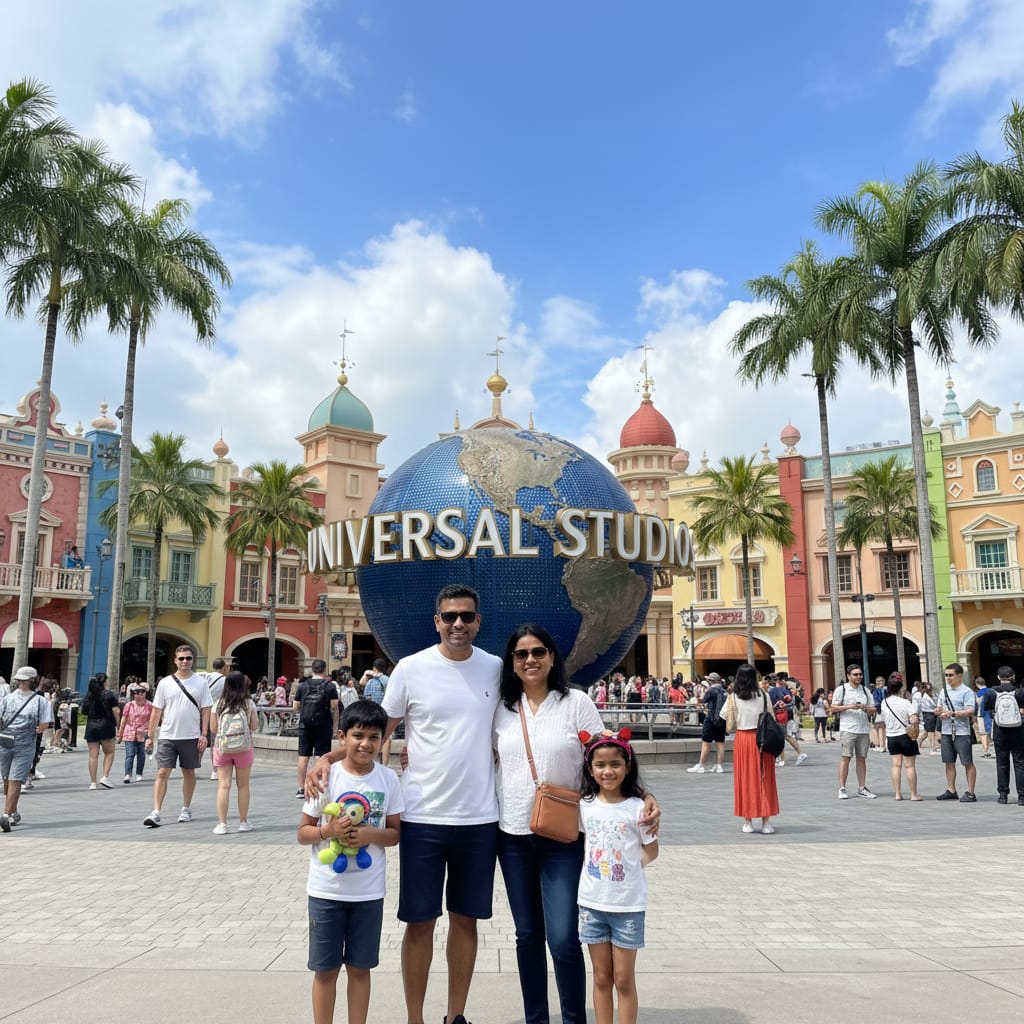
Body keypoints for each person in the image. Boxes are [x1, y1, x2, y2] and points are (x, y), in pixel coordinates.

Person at [309, 583, 500, 1024]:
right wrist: (327, 757)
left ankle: (456, 1015)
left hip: (478, 817)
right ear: (437, 621)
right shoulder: (411, 669)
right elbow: (376, 730)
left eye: (466, 617)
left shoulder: (493, 668)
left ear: (478, 621)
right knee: (420, 923)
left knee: (466, 921)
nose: (458, 624)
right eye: (449, 616)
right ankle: (415, 1018)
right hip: (422, 816)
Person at [493, 623, 610, 1024]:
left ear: (552, 656)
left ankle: (573, 1018)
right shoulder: (502, 710)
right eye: (521, 654)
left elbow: (606, 757)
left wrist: (640, 797)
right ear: (512, 662)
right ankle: (536, 1019)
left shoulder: (575, 702)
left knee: (562, 938)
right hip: (512, 836)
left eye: (538, 652)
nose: (530, 660)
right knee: (527, 937)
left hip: (563, 835)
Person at [298, 700, 402, 1024]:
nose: (366, 744)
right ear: (342, 736)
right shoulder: (325, 779)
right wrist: (327, 830)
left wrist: (372, 834)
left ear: (382, 740)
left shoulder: (388, 780)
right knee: (325, 970)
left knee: (361, 968)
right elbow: (303, 832)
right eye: (358, 735)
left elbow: (396, 833)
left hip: (368, 894)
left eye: (374, 737)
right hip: (326, 890)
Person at [578, 729, 658, 1024]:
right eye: (600, 765)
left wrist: (630, 869)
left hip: (628, 906)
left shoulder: (639, 808)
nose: (608, 771)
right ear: (590, 769)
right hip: (591, 904)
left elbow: (652, 851)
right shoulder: (584, 806)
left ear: (627, 767)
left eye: (615, 764)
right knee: (601, 977)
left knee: (623, 979)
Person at [143, 644, 213, 827]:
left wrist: (204, 734)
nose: (185, 661)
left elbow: (206, 709)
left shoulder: (201, 683)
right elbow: (156, 711)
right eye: (181, 658)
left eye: (188, 658)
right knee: (162, 772)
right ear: (175, 660)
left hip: (191, 735)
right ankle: (156, 811)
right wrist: (150, 736)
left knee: (189, 772)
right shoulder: (165, 683)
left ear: (193, 660)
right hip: (167, 735)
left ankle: (186, 808)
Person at [720, 663, 779, 833]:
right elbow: (771, 716)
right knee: (765, 778)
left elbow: (723, 716)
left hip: (743, 739)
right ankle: (766, 822)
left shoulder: (733, 697)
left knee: (745, 780)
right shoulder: (763, 695)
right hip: (762, 739)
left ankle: (748, 822)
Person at [0, 666, 50, 832]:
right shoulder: (7, 699)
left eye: (24, 680)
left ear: (32, 681)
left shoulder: (41, 701)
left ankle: (5, 816)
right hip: (5, 743)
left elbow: (44, 724)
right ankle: (13, 812)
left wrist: (36, 729)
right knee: (7, 779)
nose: (21, 683)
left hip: (25, 745)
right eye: (19, 680)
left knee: (15, 780)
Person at [211, 670, 259, 834]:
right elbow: (254, 726)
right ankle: (243, 821)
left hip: (222, 748)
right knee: (243, 785)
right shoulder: (248, 703)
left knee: (224, 786)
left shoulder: (218, 704)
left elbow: (213, 728)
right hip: (244, 748)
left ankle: (222, 824)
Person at [293, 659, 339, 798]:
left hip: (305, 724)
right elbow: (334, 706)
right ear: (324, 670)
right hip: (323, 723)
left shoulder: (302, 686)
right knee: (322, 756)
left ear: (312, 670)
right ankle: (319, 784)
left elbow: (295, 707)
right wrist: (335, 726)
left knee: (303, 757)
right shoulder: (330, 686)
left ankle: (301, 789)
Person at [832, 665, 877, 800]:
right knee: (846, 757)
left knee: (861, 758)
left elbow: (873, 709)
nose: (858, 677)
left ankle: (862, 787)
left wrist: (866, 709)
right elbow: (833, 708)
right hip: (848, 729)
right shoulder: (841, 690)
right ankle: (842, 788)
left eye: (860, 674)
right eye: (855, 674)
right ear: (848, 676)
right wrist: (851, 706)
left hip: (863, 729)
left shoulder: (866, 691)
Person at [936, 662, 978, 803]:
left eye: (951, 675)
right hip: (946, 730)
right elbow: (940, 707)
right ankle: (951, 789)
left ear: (960, 676)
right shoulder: (944, 691)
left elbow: (971, 710)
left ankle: (971, 792)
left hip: (961, 731)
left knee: (967, 762)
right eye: (946, 675)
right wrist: (939, 712)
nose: (948, 678)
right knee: (949, 761)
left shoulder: (966, 691)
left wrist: (953, 713)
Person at [982, 665, 1024, 805]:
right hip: (1018, 729)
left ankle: (1003, 795)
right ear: (1013, 677)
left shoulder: (991, 692)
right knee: (1019, 762)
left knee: (1002, 762)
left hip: (999, 729)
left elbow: (987, 709)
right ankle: (1022, 796)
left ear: (999, 677)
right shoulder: (1020, 692)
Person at [879, 673, 922, 800]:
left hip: (891, 737)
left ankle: (897, 794)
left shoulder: (884, 702)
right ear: (901, 687)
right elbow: (914, 719)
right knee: (909, 766)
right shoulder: (905, 702)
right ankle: (914, 794)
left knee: (896, 765)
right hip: (905, 735)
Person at [82, 673, 120, 790]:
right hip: (106, 724)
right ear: (104, 682)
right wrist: (117, 724)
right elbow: (116, 710)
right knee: (109, 752)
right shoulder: (109, 695)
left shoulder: (89, 696)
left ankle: (93, 782)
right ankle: (105, 776)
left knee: (93, 756)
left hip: (91, 725)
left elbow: (84, 711)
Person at [687, 673, 728, 773]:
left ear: (710, 681)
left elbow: (703, 700)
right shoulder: (724, 691)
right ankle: (719, 765)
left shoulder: (711, 690)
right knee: (720, 742)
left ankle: (701, 765)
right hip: (722, 719)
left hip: (711, 718)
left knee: (706, 742)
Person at [767, 675, 807, 767]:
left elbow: (770, 706)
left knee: (781, 736)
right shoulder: (786, 691)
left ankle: (782, 759)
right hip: (784, 715)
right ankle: (796, 754)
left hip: (777, 716)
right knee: (786, 736)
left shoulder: (772, 691)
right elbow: (791, 704)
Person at [117, 683, 153, 783]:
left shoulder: (150, 706)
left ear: (145, 694)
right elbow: (123, 719)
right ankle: (127, 774)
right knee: (130, 754)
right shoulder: (129, 705)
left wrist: (151, 735)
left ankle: (139, 773)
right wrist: (120, 734)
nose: (139, 695)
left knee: (141, 754)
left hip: (143, 732)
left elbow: (152, 720)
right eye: (136, 693)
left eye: (142, 692)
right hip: (129, 732)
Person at [913, 681, 940, 754]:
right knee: (931, 731)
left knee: (927, 730)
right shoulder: (919, 695)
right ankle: (932, 748)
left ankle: (918, 742)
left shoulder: (933, 693)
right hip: (927, 713)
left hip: (934, 713)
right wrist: (916, 715)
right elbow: (917, 706)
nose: (928, 688)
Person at [974, 675, 994, 757]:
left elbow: (975, 706)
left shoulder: (977, 694)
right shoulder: (992, 691)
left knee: (983, 733)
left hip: (981, 715)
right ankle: (991, 749)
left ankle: (985, 750)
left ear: (977, 684)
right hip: (991, 714)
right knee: (990, 732)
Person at [870, 675, 888, 751]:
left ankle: (882, 745)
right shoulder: (876, 691)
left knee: (881, 728)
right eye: (878, 681)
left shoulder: (886, 690)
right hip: (878, 711)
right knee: (877, 728)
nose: (880, 682)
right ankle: (879, 744)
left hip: (883, 710)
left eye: (881, 681)